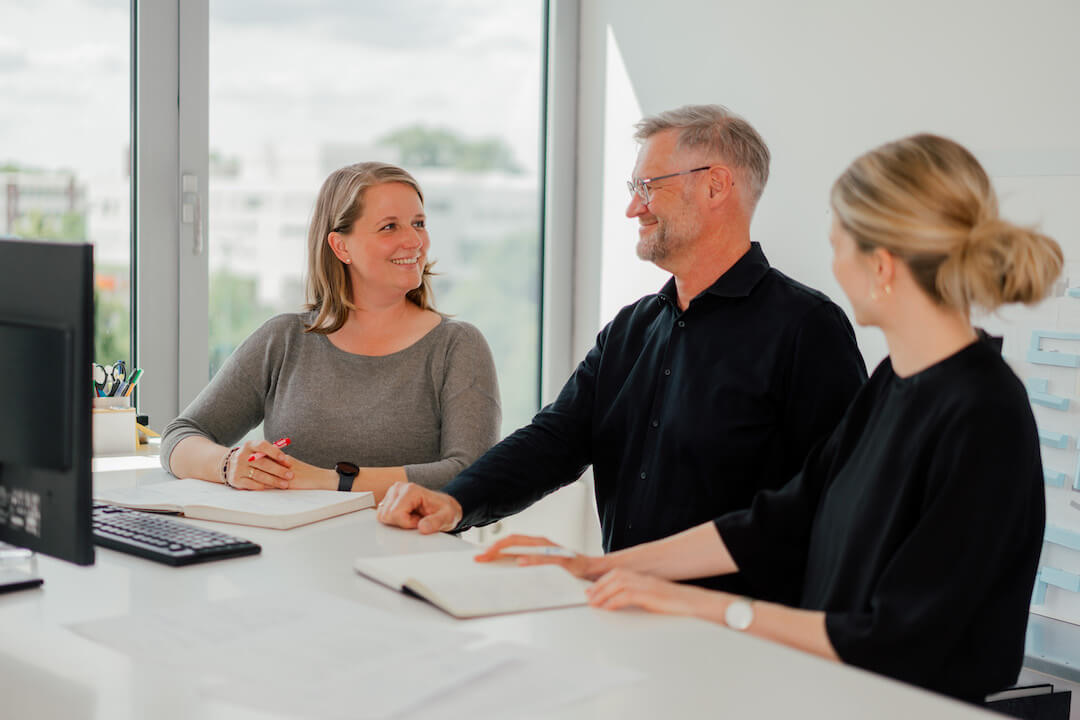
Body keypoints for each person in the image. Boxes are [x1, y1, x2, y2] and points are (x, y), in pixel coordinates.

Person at [480, 134, 1060, 702]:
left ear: (881, 265)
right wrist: (593, 566)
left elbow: (897, 640)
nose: (833, 265)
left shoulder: (983, 412)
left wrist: (701, 604)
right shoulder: (895, 384)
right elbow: (784, 519)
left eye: (838, 245)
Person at [378, 105, 867, 594]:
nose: (635, 208)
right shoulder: (631, 329)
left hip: (741, 642)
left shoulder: (808, 328)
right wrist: (455, 502)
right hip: (626, 614)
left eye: (648, 187)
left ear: (716, 186)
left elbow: (838, 504)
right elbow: (554, 440)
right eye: (633, 190)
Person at [161, 162, 501, 501]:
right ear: (341, 247)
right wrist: (229, 463)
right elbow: (180, 436)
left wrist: (331, 481)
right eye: (389, 227)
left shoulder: (457, 346)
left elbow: (471, 473)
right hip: (287, 548)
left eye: (419, 223)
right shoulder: (284, 339)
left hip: (404, 552)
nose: (414, 241)